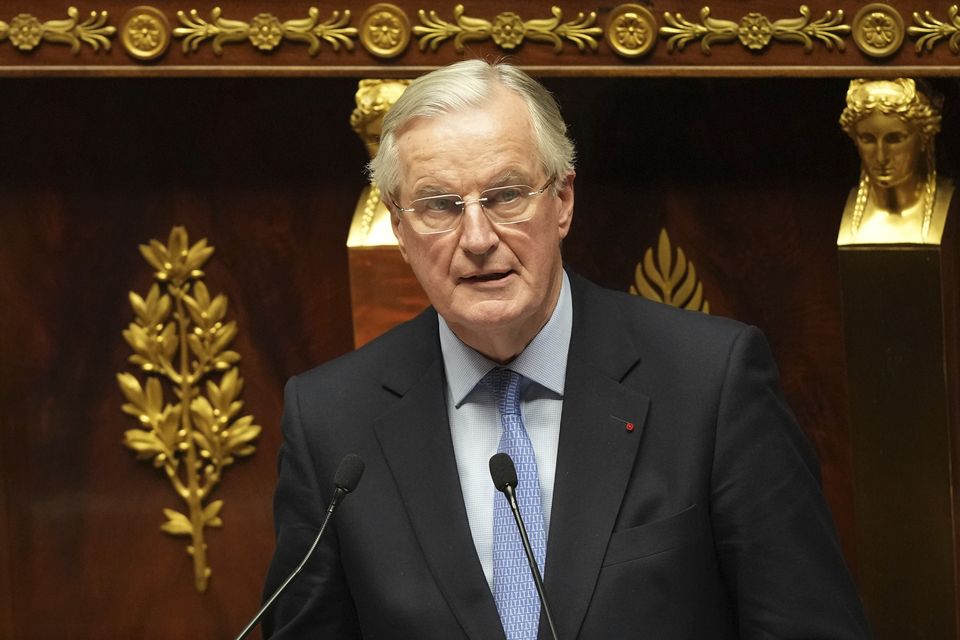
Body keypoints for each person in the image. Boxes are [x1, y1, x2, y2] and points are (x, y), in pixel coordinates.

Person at [263, 60, 870, 639]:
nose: (477, 239)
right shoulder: (332, 422)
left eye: (505, 195)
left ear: (562, 202)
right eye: (439, 207)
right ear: (399, 230)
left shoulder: (711, 383)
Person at [838, 77, 953, 245]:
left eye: (895, 139)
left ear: (924, 138)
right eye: (867, 139)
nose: (881, 157)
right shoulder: (846, 214)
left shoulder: (948, 204)